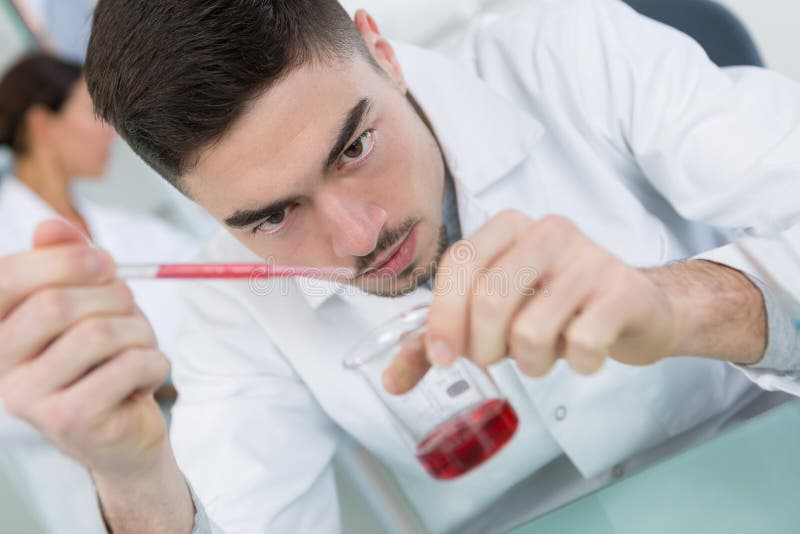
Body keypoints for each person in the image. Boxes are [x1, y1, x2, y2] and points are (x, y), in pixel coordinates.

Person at [1, 0, 799, 532]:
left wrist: (687, 304)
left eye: (355, 147)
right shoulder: (232, 305)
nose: (359, 237)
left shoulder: (572, 54)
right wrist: (135, 481)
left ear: (383, 53)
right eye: (274, 216)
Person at [0, 52, 195, 533]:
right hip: (93, 506)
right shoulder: (8, 246)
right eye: (93, 113)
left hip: (199, 475)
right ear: (42, 125)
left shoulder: (134, 231)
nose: (110, 131)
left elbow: (210, 292)